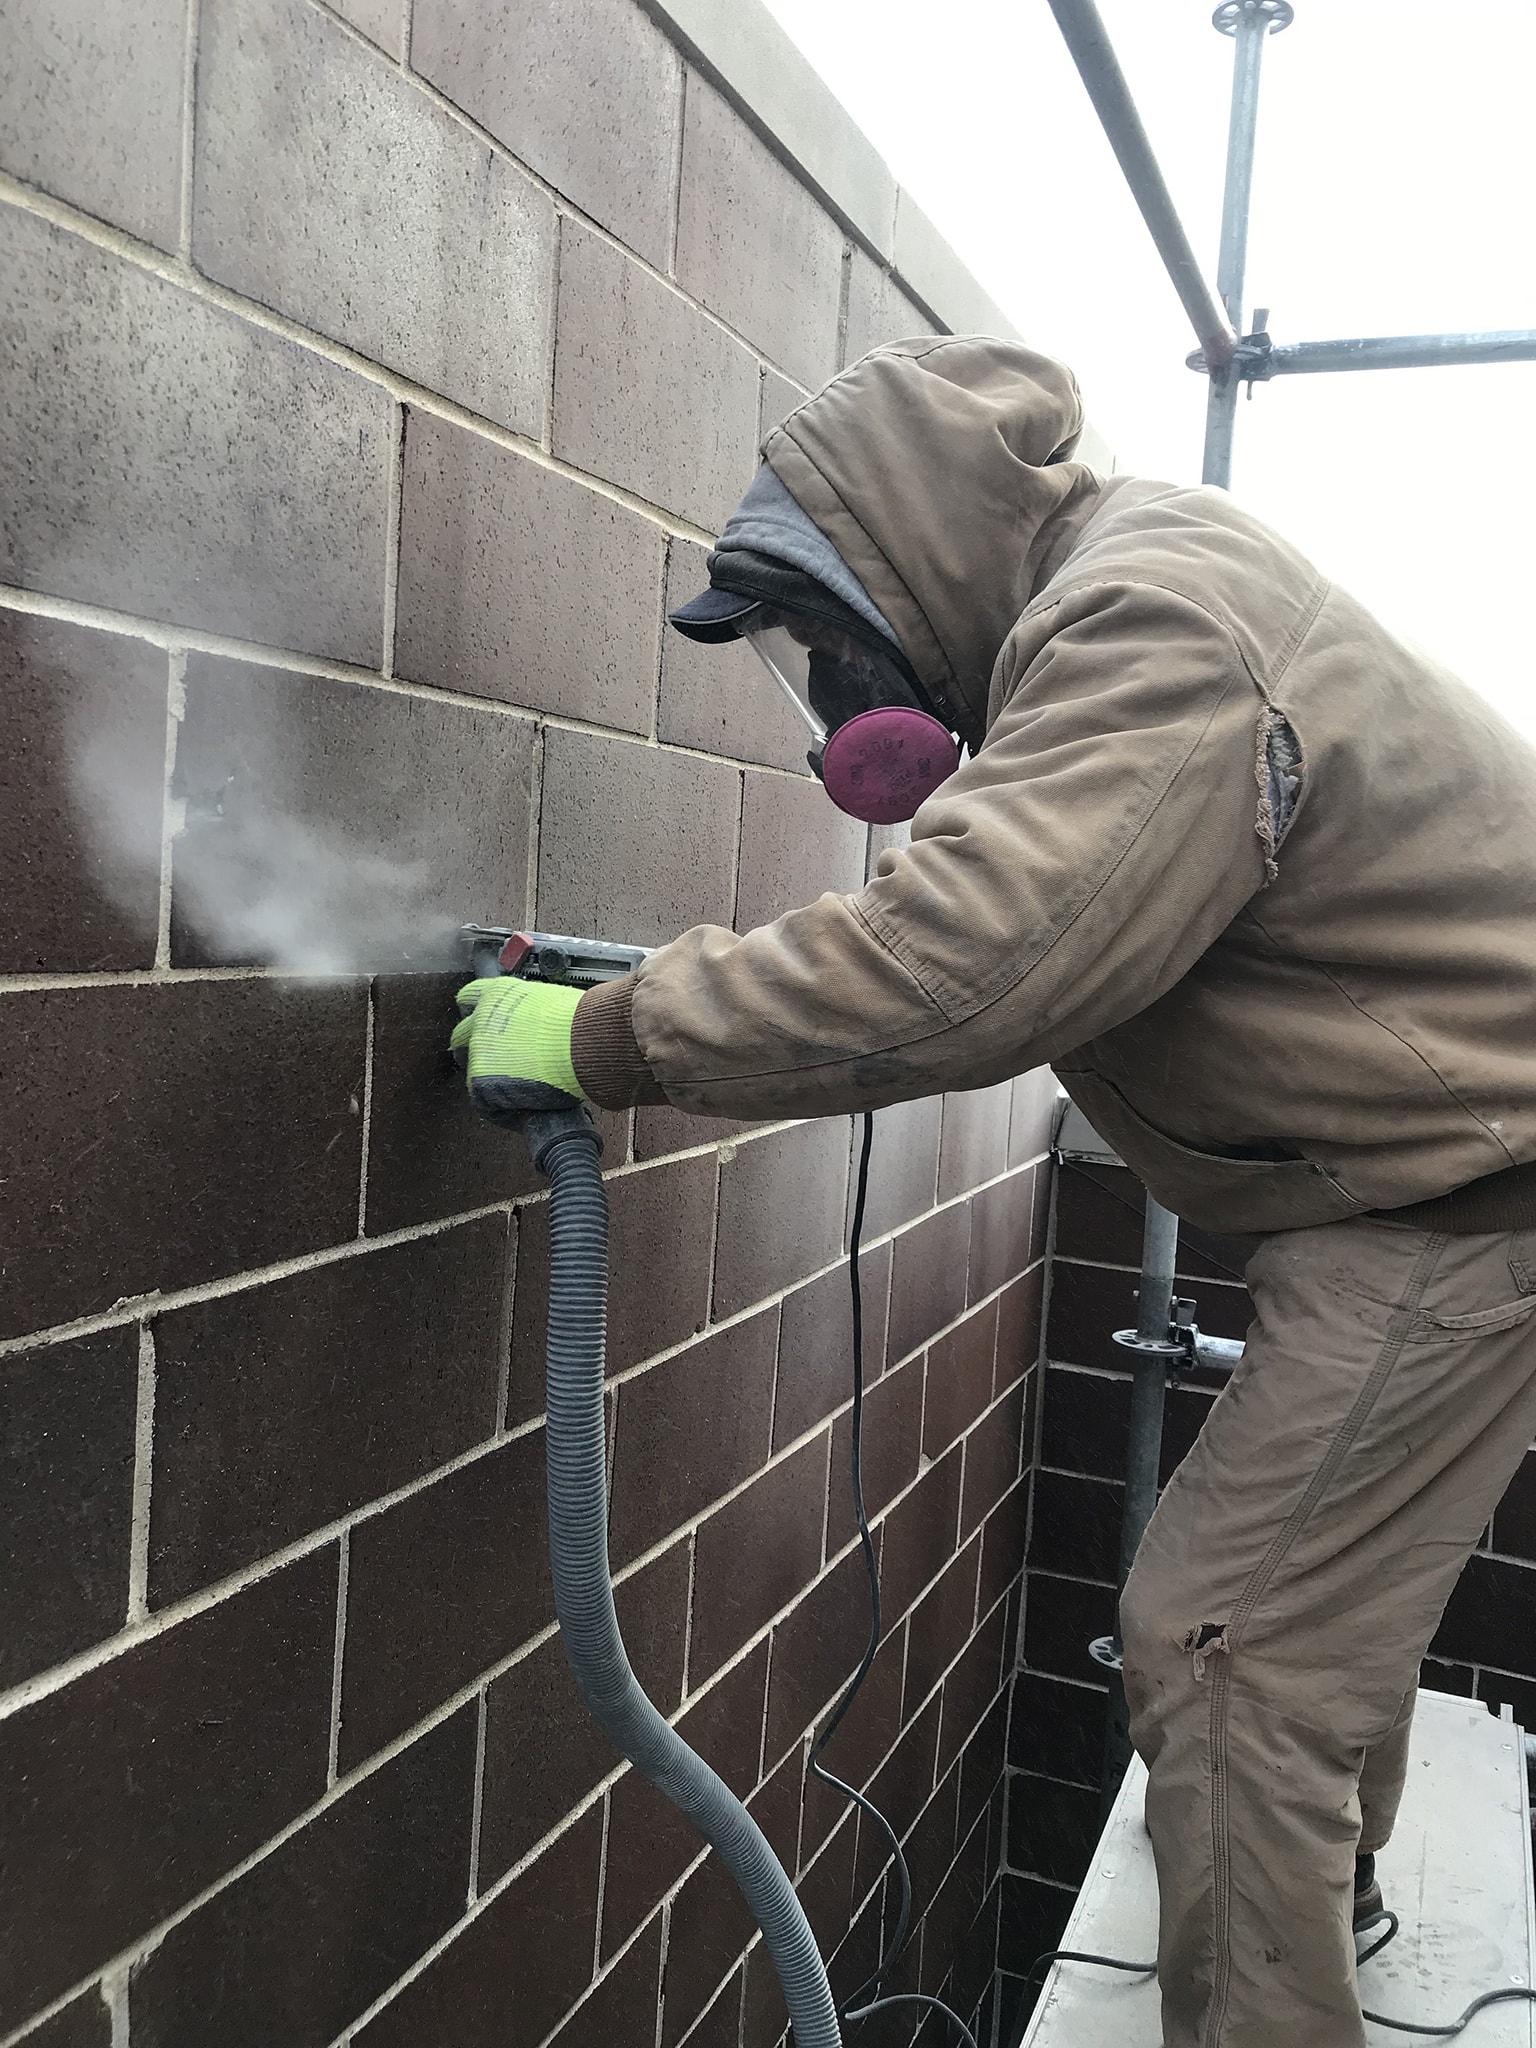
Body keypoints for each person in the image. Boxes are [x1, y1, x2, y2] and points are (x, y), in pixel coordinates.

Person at [450, 337, 1536, 2048]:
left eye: (825, 648)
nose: (825, 705)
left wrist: (611, 1033)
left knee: (1229, 1646)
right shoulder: (1125, 598)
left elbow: (972, 964)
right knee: (1314, 1584)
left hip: (1462, 1205)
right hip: (1415, 1182)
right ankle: (1337, 1892)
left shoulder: (1153, 621)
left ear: (910, 574)